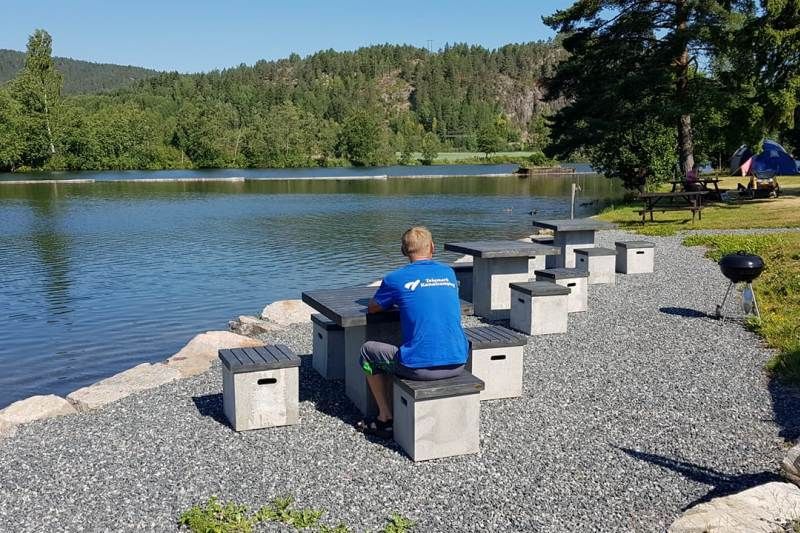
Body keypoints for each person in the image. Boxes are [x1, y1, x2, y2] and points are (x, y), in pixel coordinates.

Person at [357, 226, 468, 439]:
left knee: (367, 352)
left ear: (403, 251)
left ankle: (384, 417)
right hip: (458, 363)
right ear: (432, 247)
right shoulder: (448, 272)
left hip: (419, 369)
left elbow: (373, 307)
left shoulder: (395, 279)